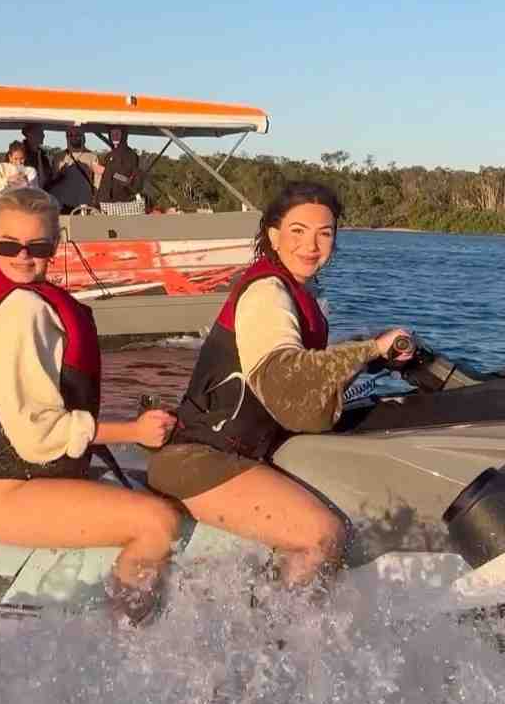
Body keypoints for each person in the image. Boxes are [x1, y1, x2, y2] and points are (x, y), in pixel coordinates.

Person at [148, 181, 414, 587]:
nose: (311, 245)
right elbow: (286, 377)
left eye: (325, 233)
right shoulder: (267, 292)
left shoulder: (291, 290)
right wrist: (369, 349)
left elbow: (304, 379)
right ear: (273, 236)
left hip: (235, 455)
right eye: (298, 231)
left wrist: (373, 357)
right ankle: (286, 630)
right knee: (320, 536)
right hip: (201, 459)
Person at [0, 187, 182, 621]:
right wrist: (134, 431)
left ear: (55, 245)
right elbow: (38, 432)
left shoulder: (23, 299)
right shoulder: (22, 309)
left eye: (38, 246)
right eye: (10, 245)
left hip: (25, 480)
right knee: (156, 522)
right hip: (6, 493)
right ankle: (130, 642)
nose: (24, 256)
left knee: (158, 487)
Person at [50, 127, 101, 211]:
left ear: (83, 136)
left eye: (77, 134)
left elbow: (97, 182)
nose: (74, 137)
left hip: (84, 203)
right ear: (67, 137)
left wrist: (95, 200)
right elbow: (53, 181)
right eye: (70, 135)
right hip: (63, 203)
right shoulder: (59, 157)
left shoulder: (92, 157)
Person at [96, 127, 141, 204]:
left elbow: (127, 180)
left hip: (123, 202)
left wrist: (106, 171)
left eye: (117, 133)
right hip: (107, 202)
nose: (114, 136)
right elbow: (105, 182)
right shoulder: (109, 155)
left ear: (123, 135)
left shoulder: (131, 156)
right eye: (112, 134)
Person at [21, 124, 56, 191]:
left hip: (43, 194)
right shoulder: (19, 153)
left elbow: (48, 179)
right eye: (40, 132)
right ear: (29, 134)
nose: (43, 135)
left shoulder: (44, 154)